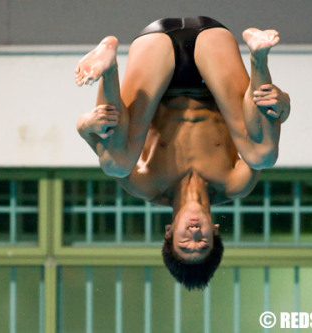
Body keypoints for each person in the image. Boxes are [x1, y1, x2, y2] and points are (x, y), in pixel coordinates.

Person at [75, 17, 290, 290]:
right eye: (202, 242)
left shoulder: (146, 185)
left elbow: (95, 139)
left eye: (184, 243)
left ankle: (108, 67)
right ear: (215, 231)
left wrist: (85, 124)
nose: (194, 234)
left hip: (156, 55)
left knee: (116, 164)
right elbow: (267, 128)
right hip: (212, 52)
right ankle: (259, 57)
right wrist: (284, 103)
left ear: (169, 232)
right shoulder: (235, 184)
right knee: (263, 156)